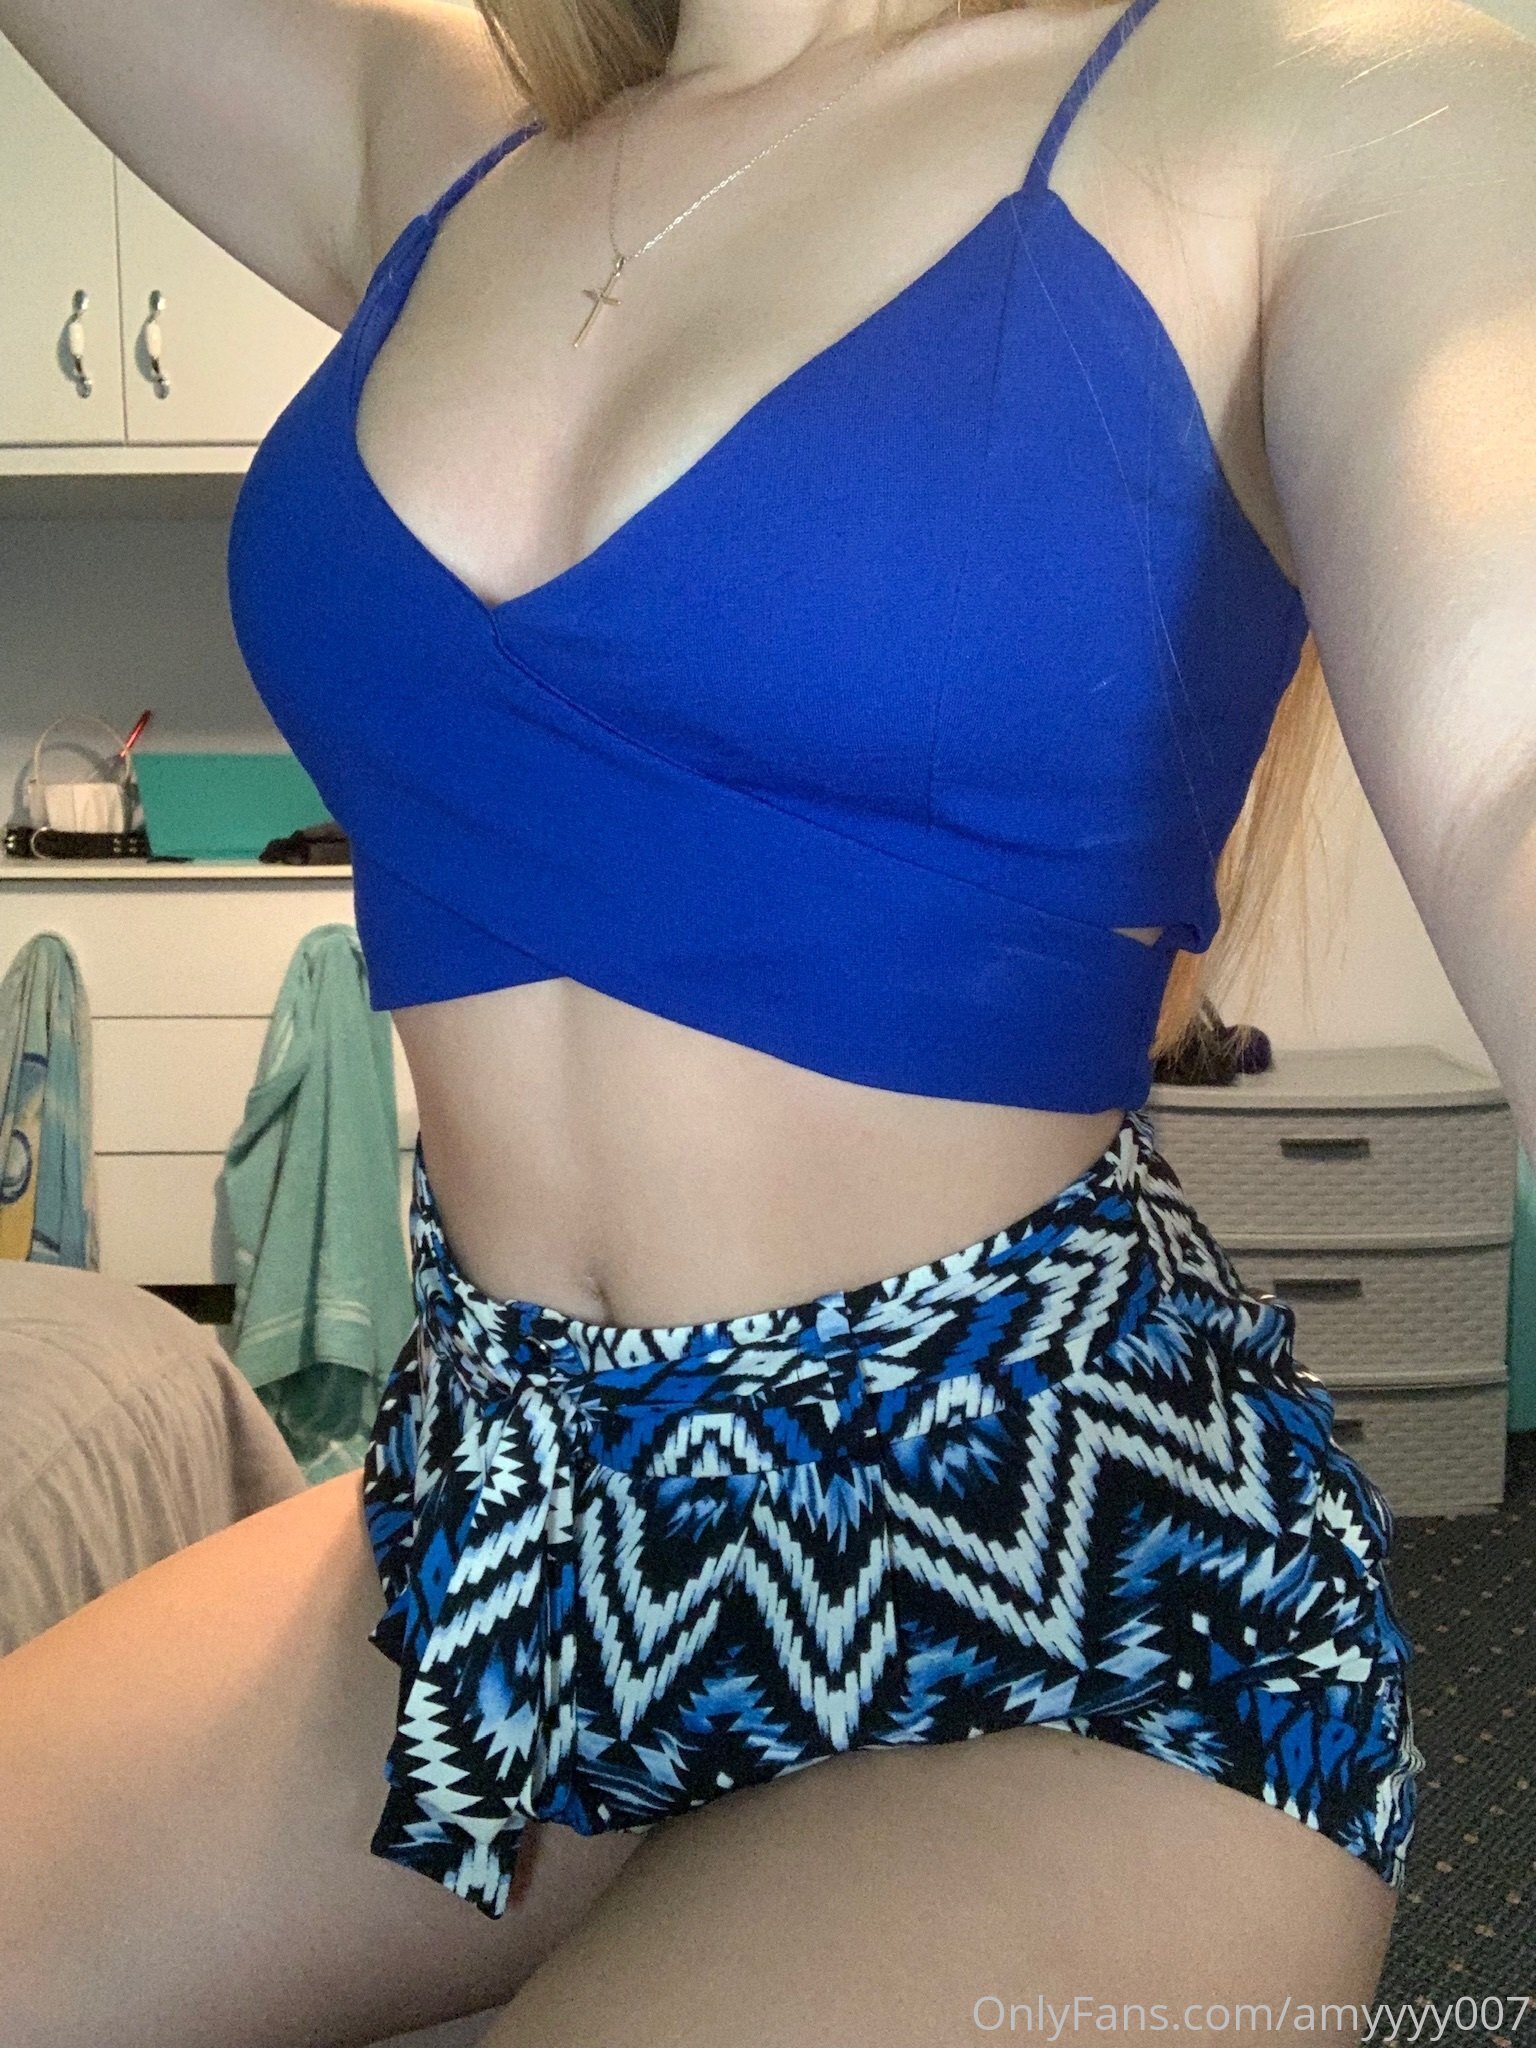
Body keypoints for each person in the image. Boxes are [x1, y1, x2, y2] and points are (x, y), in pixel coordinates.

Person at [1, 0, 1531, 2042]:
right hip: (498, 1533)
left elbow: (1511, 767)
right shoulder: (431, 135)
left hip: (1050, 1578)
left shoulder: (1303, 88)